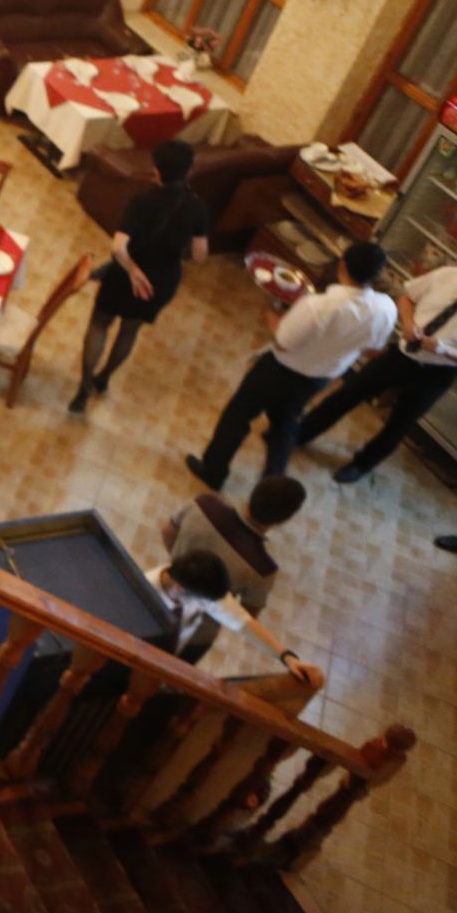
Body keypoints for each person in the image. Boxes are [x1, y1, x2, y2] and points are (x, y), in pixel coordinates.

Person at [186, 241, 396, 489]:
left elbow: (283, 341)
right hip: (319, 378)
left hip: (280, 370)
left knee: (238, 415)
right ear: (377, 274)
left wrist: (271, 308)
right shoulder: (385, 309)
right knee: (284, 426)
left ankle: (214, 470)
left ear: (342, 266)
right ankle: (271, 485)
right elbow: (373, 350)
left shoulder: (317, 305)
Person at [295, 262, 457, 482]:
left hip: (439, 373)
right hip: (403, 354)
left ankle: (361, 465)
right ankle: (300, 433)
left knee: (400, 423)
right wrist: (408, 323)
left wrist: (444, 350)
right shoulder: (450, 275)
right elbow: (407, 298)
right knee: (349, 392)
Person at [72, 140, 210, 412]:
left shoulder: (142, 200)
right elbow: (199, 255)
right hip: (161, 280)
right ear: (189, 170)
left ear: (156, 171)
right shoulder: (198, 208)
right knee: (130, 329)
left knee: (100, 324)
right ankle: (104, 378)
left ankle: (84, 386)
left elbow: (118, 247)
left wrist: (133, 271)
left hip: (125, 275)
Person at [160, 475, 305, 662]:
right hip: (196, 636)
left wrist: (181, 564)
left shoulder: (204, 505)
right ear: (284, 520)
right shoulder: (262, 569)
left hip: (160, 598)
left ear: (254, 492)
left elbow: (167, 532)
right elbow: (247, 615)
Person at [144, 550, 318, 686]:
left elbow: (242, 622)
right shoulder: (143, 595)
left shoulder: (198, 585)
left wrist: (286, 657)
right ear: (179, 588)